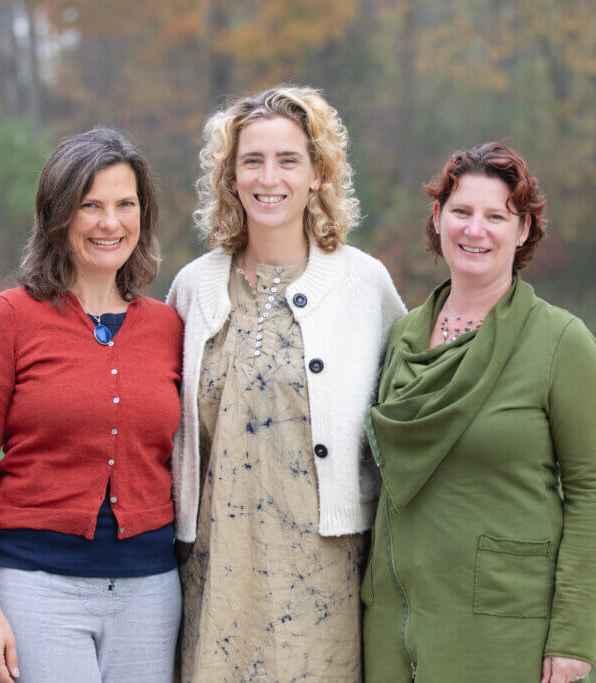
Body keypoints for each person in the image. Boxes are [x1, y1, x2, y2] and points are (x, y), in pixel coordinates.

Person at [167, 85, 406, 681]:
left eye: (288, 160)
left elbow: (406, 419)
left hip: (323, 575)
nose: (268, 178)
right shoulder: (193, 288)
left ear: (318, 172)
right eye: (252, 160)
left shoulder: (364, 285)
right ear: (230, 176)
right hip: (212, 567)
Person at [361, 142, 596, 683]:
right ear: (437, 218)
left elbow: (593, 491)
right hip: (393, 619)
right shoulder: (402, 336)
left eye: (496, 216)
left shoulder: (561, 342)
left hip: (503, 624)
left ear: (523, 230)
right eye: (461, 211)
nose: (475, 229)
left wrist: (573, 637)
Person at [0, 127, 183, 683]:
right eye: (90, 205)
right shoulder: (7, 319)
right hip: (35, 591)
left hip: (150, 594)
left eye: (126, 205)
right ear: (57, 215)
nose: (110, 223)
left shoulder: (170, 326)